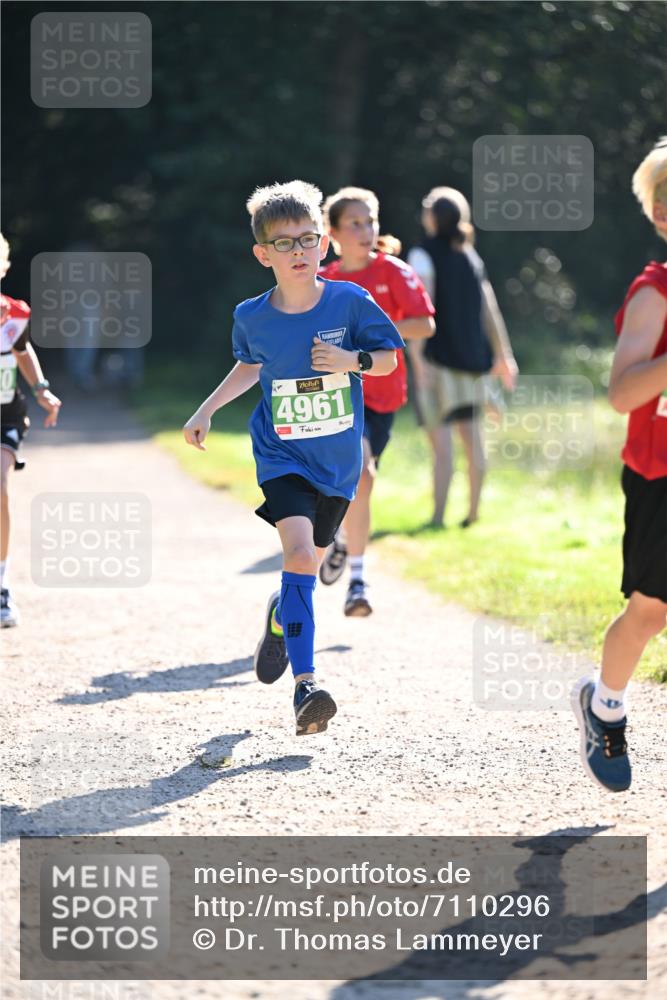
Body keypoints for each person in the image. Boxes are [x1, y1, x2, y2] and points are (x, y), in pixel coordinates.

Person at [183, 181, 403, 735]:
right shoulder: (251, 316)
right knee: (301, 554)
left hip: (337, 463)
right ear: (263, 255)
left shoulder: (350, 301)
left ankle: (282, 618)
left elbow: (388, 362)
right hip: (281, 454)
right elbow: (251, 366)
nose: (299, 251)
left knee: (305, 563)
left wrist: (351, 359)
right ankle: (307, 688)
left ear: (325, 243)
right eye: (285, 244)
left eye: (308, 239)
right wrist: (206, 409)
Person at [571, 138, 667, 792]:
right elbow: (620, 393)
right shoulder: (652, 293)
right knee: (649, 610)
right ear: (660, 216)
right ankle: (604, 706)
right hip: (659, 475)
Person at [318, 186, 435, 616]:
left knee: (360, 481)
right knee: (361, 475)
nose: (367, 230)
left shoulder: (395, 272)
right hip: (335, 397)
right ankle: (358, 582)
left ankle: (345, 540)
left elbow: (424, 325)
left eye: (372, 221)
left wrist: (374, 332)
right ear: (332, 233)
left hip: (382, 398)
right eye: (355, 223)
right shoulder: (324, 279)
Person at [407, 187, 518, 528]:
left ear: (433, 217)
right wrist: (503, 355)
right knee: (473, 441)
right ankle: (472, 514)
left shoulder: (422, 255)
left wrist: (418, 360)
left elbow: (421, 311)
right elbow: (490, 310)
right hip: (473, 362)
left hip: (438, 361)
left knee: (442, 446)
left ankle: (438, 518)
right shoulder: (471, 256)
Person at [1, 233, 62, 627]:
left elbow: (23, 353)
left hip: (4, 414)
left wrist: (41, 390)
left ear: (3, 268)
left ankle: (1, 586)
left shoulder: (14, 315)